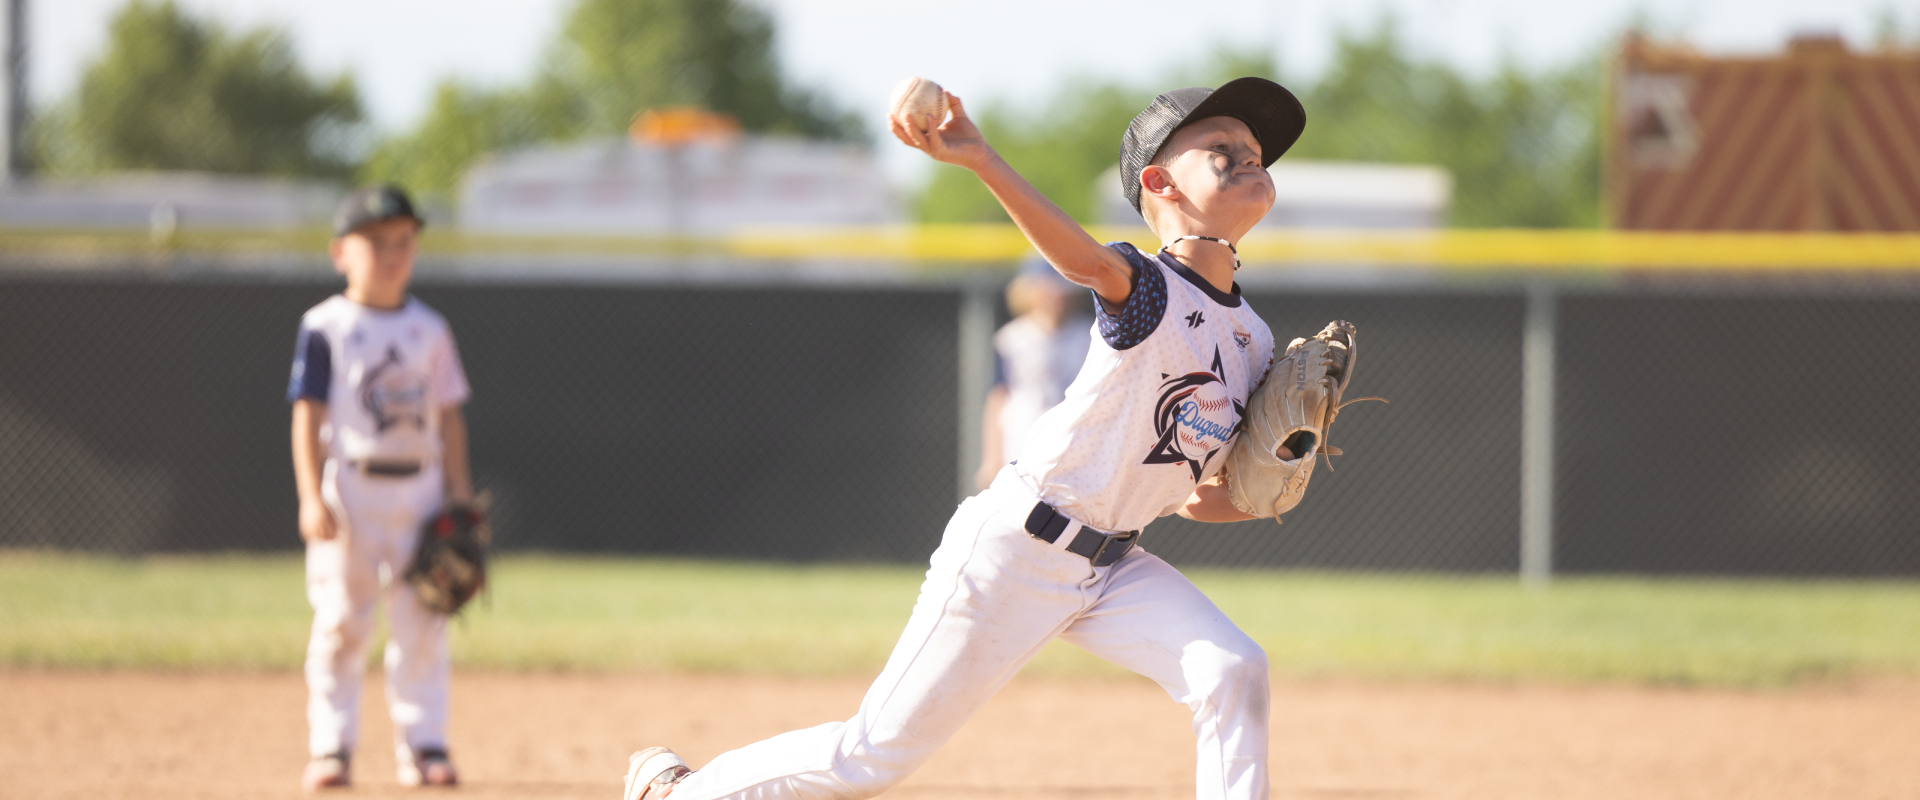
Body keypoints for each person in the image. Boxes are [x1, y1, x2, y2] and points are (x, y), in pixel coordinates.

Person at [624, 76, 1306, 800]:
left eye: (1257, 150)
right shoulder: (1148, 286)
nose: (1249, 156)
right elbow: (1080, 261)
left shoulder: (1254, 339)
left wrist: (1283, 474)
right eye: (1222, 148)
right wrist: (982, 158)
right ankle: (678, 793)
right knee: (870, 757)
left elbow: (1201, 498)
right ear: (1159, 181)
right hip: (1014, 551)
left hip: (1113, 567)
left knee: (1232, 668)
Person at [289, 186, 475, 791]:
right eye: (375, 242)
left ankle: (424, 745)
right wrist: (310, 497)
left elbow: (448, 415)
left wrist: (460, 495)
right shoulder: (325, 326)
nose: (392, 254)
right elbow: (307, 415)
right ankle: (331, 746)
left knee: (423, 619)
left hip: (419, 489)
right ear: (341, 252)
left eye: (403, 242)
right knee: (342, 620)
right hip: (351, 484)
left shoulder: (430, 328)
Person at [975, 255, 1095, 491]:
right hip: (1022, 442)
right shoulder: (1012, 338)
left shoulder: (1090, 335)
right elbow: (998, 397)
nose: (1054, 296)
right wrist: (991, 458)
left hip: (1076, 444)